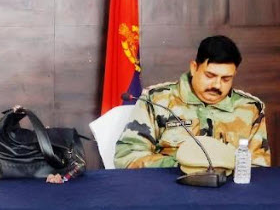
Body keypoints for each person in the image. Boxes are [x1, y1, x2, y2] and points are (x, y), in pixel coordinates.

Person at [114, 35, 270, 169]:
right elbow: (127, 157)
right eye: (210, 76)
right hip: (169, 187)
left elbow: (259, 166)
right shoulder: (157, 100)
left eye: (226, 79)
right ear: (194, 68)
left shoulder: (250, 108)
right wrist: (183, 165)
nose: (217, 85)